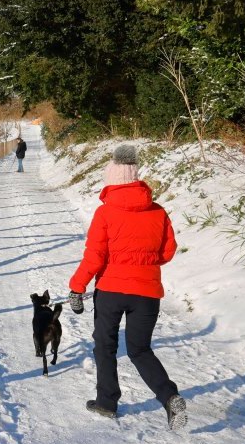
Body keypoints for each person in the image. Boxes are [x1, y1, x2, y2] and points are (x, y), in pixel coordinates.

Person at [68, 143, 186, 429]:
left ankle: (107, 402)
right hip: (147, 293)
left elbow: (94, 256)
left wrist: (77, 286)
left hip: (110, 290)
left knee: (105, 347)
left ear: (112, 180)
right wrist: (145, 264)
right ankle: (169, 396)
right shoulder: (158, 211)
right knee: (140, 350)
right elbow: (168, 250)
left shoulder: (105, 213)